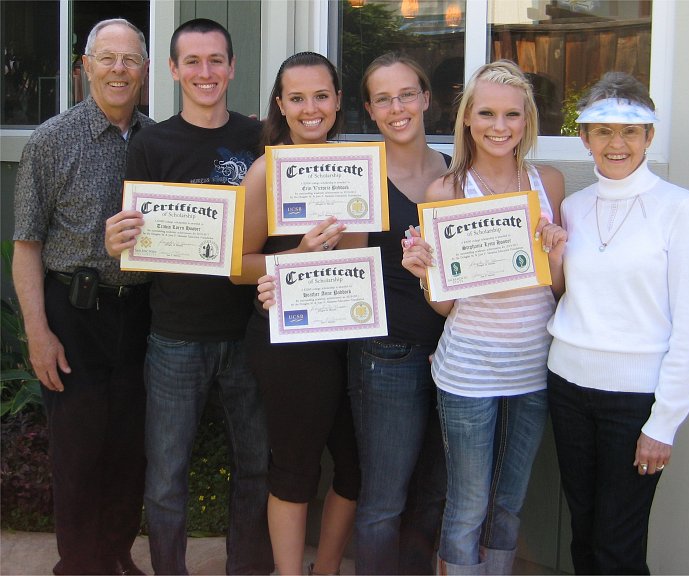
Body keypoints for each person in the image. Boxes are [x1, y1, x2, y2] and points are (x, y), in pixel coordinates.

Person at [104, 19, 273, 575]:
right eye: (193, 62)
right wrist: (120, 240)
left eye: (216, 60)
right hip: (175, 335)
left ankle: (245, 569)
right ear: (173, 70)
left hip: (250, 329)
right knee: (167, 477)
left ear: (232, 66)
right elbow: (136, 239)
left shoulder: (259, 137)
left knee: (256, 468)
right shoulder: (152, 143)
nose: (206, 73)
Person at [401, 60, 566, 575]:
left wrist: (556, 257)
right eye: (488, 113)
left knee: (509, 502)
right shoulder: (446, 192)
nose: (500, 126)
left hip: (533, 368)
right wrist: (425, 274)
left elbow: (555, 292)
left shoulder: (550, 184)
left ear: (527, 120)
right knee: (469, 504)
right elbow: (446, 306)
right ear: (468, 118)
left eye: (512, 115)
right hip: (468, 368)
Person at [545, 72, 689, 574]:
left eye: (630, 131)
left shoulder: (680, 210)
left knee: (618, 542)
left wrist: (664, 423)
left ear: (649, 137)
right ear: (585, 138)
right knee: (585, 531)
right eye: (603, 131)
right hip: (568, 388)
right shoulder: (572, 208)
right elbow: (566, 294)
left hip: (635, 400)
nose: (617, 143)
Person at [12, 18, 152, 575]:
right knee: (78, 453)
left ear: (145, 69)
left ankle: (115, 554)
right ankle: (78, 564)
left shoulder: (157, 139)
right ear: (86, 66)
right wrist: (38, 333)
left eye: (130, 60)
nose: (119, 70)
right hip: (75, 313)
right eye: (108, 58)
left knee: (129, 448)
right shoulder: (50, 142)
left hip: (141, 314)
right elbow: (26, 245)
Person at [239, 52, 361, 576]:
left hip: (350, 329)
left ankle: (326, 568)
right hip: (288, 339)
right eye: (297, 98)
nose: (310, 108)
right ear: (280, 106)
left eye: (321, 96)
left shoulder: (354, 166)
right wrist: (296, 257)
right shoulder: (267, 169)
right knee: (294, 466)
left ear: (337, 101)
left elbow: (358, 253)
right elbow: (237, 265)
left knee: (355, 466)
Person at [347, 52, 449, 575]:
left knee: (433, 496)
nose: (397, 107)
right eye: (383, 99)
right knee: (384, 502)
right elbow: (339, 272)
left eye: (407, 94)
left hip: (455, 358)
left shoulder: (457, 175)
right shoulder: (358, 179)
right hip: (386, 355)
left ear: (426, 98)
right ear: (369, 110)